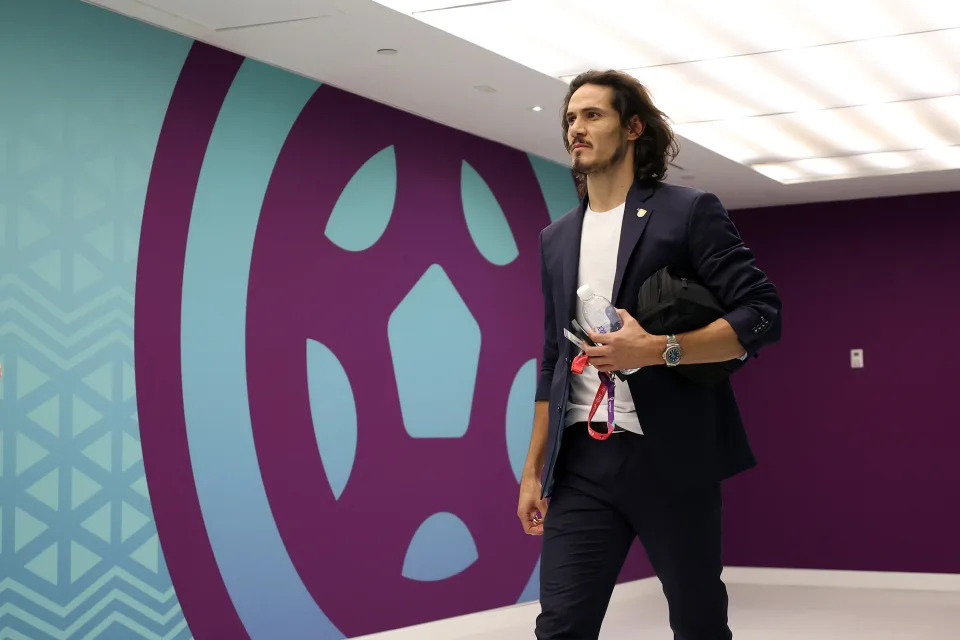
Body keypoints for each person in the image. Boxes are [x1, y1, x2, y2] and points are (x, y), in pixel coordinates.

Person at [516, 69, 782, 639]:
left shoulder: (686, 211)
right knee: (560, 625)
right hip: (583, 462)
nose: (576, 130)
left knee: (697, 621)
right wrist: (533, 468)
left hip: (671, 459)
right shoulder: (556, 237)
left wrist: (661, 349)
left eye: (593, 115)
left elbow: (761, 312)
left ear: (633, 127)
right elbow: (551, 358)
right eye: (570, 118)